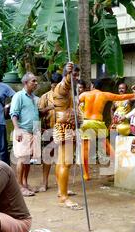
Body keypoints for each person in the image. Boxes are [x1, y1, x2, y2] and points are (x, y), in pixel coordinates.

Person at [78, 79, 135, 180]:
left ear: (92, 86)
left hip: (87, 122)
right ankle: (118, 165)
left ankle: (86, 174)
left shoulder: (85, 95)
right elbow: (120, 97)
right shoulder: (104, 94)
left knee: (85, 149)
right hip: (99, 123)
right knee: (107, 146)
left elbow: (74, 102)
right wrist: (134, 95)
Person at [53, 62, 83, 210]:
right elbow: (65, 84)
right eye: (74, 75)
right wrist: (68, 75)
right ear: (67, 74)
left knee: (61, 161)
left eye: (78, 75)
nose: (76, 77)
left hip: (67, 127)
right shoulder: (62, 87)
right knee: (65, 162)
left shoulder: (72, 90)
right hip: (65, 127)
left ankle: (61, 191)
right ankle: (64, 197)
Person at [10, 72, 40, 197]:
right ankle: (19, 187)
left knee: (28, 159)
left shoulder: (34, 97)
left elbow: (36, 113)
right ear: (25, 83)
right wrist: (17, 129)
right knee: (22, 158)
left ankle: (25, 183)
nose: (36, 83)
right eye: (33, 81)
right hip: (23, 130)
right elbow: (14, 114)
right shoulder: (18, 96)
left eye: (36, 81)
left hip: (34, 131)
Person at [37, 72, 62, 193]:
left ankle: (60, 184)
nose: (55, 88)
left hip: (63, 130)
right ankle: (44, 183)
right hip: (48, 129)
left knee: (60, 158)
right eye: (53, 85)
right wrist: (49, 108)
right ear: (50, 84)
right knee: (47, 156)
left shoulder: (66, 96)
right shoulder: (45, 97)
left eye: (58, 85)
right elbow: (39, 112)